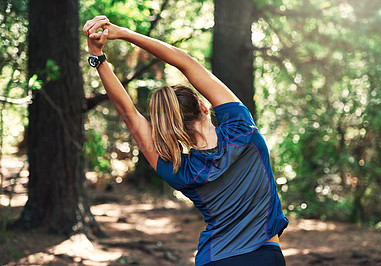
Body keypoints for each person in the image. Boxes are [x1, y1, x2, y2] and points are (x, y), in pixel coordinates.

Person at [83, 16, 289, 266]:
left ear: (170, 130)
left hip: (215, 260)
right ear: (204, 106)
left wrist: (98, 58)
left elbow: (129, 114)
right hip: (265, 256)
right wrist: (124, 33)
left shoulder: (181, 171)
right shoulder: (241, 129)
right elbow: (186, 62)